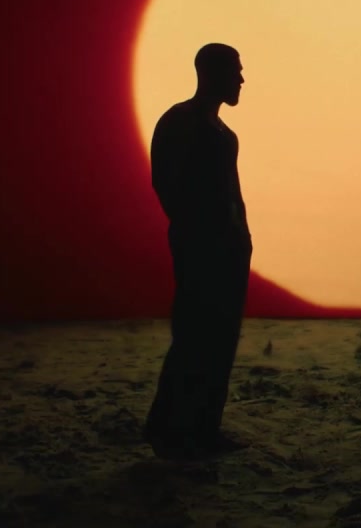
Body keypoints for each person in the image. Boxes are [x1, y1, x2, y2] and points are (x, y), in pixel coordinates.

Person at [143, 42, 253, 460]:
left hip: (230, 248)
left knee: (222, 338)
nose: (241, 79)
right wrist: (195, 230)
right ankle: (167, 428)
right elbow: (164, 182)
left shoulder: (227, 135)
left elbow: (233, 193)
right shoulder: (180, 121)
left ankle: (205, 427)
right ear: (211, 73)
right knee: (193, 335)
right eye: (235, 71)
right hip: (200, 246)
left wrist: (242, 237)